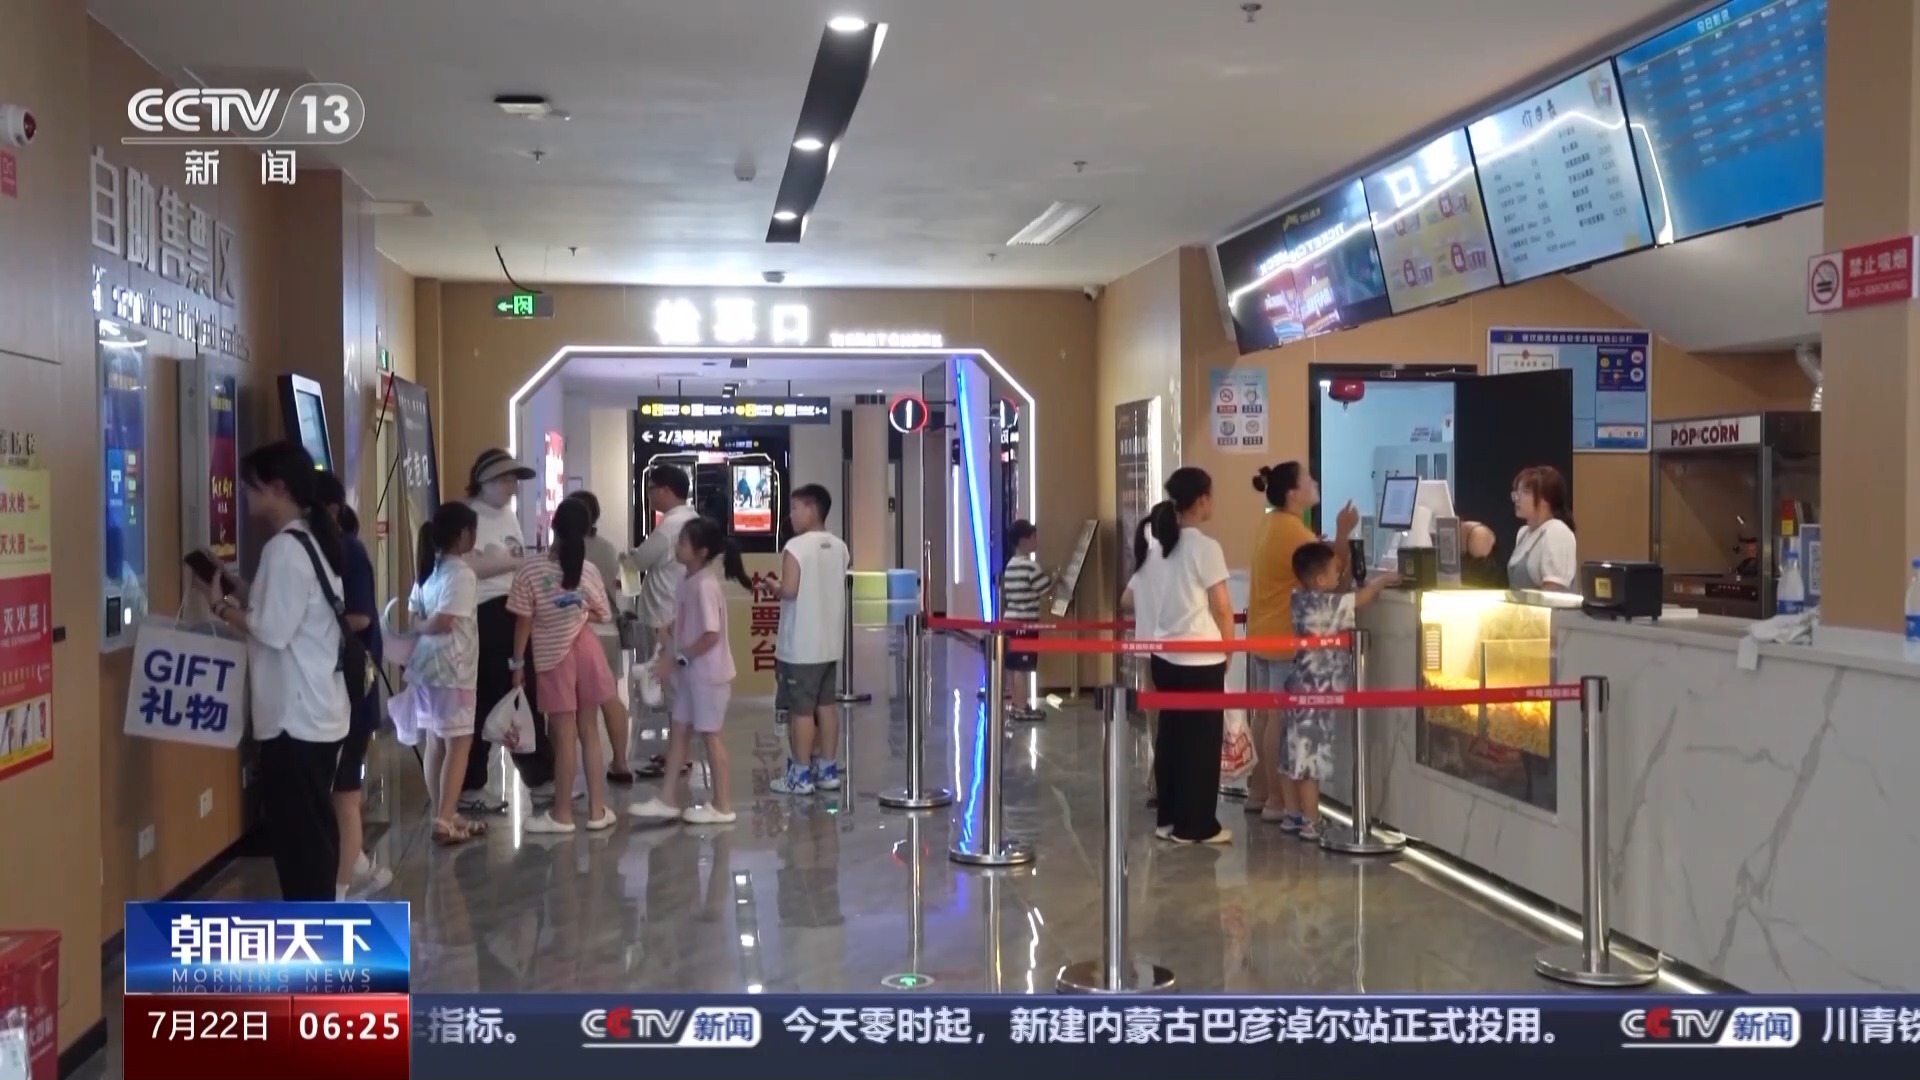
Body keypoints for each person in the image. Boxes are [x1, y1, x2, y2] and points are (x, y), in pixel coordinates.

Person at [193, 442, 351, 900]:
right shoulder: (311, 541)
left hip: (293, 720)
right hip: (319, 712)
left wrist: (219, 606)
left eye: (250, 487)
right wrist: (236, 587)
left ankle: (312, 931)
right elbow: (283, 609)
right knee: (315, 834)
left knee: (300, 844)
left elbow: (272, 629)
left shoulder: (284, 549)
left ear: (278, 488)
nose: (244, 495)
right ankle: (321, 924)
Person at [1244, 462, 1357, 824]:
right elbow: (1333, 575)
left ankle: (1260, 793)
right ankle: (1279, 801)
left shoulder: (1270, 523)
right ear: (1293, 493)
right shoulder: (1294, 532)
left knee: (1265, 717)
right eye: (1308, 478)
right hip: (1285, 638)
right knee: (1278, 721)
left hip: (1262, 633)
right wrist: (1343, 531)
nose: (1315, 482)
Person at [1130, 468, 1234, 845]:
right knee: (1201, 745)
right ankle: (1197, 825)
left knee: (1171, 738)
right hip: (1200, 657)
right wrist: (1228, 649)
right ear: (1202, 499)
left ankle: (1169, 819)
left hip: (1165, 656)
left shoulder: (1161, 547)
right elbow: (1222, 607)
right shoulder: (1205, 548)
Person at [628, 516, 752, 824]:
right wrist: (670, 630)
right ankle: (667, 799)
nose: (677, 547)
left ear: (701, 551)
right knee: (679, 731)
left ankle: (723, 805)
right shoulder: (688, 580)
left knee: (711, 736)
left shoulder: (705, 586)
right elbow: (690, 622)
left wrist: (676, 659)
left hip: (708, 676)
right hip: (691, 675)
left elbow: (710, 634)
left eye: (682, 543)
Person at [509, 498, 620, 834]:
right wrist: (577, 610)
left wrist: (517, 663)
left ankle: (562, 815)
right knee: (590, 731)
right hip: (587, 650)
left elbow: (523, 622)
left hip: (552, 656)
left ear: (552, 526)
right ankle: (597, 812)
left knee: (563, 735)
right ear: (586, 532)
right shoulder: (588, 570)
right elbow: (603, 613)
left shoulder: (530, 570)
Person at [459, 449, 554, 814]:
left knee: (519, 692)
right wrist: (510, 562)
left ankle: (540, 778)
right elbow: (463, 564)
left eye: (514, 480)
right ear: (484, 482)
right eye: (505, 480)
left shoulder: (508, 515)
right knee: (488, 696)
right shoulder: (469, 516)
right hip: (485, 612)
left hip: (514, 610)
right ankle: (472, 785)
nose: (512, 487)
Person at [1281, 543, 1397, 840]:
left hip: (1297, 685)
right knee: (1309, 761)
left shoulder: (1299, 598)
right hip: (1315, 691)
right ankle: (1311, 822)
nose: (1340, 574)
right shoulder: (1323, 604)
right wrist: (1383, 580)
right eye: (1335, 570)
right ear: (1320, 580)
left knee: (1291, 756)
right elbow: (1360, 599)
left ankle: (1292, 814)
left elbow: (1340, 596)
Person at [312, 470, 390, 896]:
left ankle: (341, 891)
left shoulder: (349, 551)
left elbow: (358, 617)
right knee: (340, 792)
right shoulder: (326, 552)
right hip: (335, 692)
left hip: (352, 691)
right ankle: (354, 866)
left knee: (344, 791)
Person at [392, 502, 484, 845]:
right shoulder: (461, 574)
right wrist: (424, 626)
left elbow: (414, 614)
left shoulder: (427, 571)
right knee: (459, 743)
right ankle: (445, 819)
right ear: (463, 535)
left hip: (426, 669)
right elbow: (444, 622)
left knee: (436, 741)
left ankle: (443, 811)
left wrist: (420, 625)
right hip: (453, 670)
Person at [768, 484, 850, 796]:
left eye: (795, 508)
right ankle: (827, 769)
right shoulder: (840, 547)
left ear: (812, 509)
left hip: (801, 646)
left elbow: (790, 590)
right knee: (826, 706)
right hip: (829, 643)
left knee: (801, 710)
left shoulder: (796, 548)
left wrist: (774, 587)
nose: (791, 515)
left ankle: (800, 774)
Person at [565, 490, 635, 784]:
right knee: (609, 697)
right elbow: (627, 586)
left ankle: (574, 771)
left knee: (580, 708)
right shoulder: (609, 548)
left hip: (577, 632)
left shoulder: (565, 550)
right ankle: (620, 762)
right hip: (608, 631)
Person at [1000, 520, 1053, 713]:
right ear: (1024, 540)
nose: (1036, 541)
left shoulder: (1010, 565)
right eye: (1033, 537)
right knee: (1022, 666)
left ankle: (1016, 703)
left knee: (1013, 665)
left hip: (1010, 621)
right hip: (1025, 622)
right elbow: (1045, 589)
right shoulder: (1031, 567)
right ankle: (1022, 707)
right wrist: (1054, 579)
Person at [1508, 465, 1577, 591]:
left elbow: (1554, 591)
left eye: (1525, 492)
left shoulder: (1557, 532)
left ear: (1546, 500)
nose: (1517, 499)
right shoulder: (1523, 533)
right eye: (1516, 492)